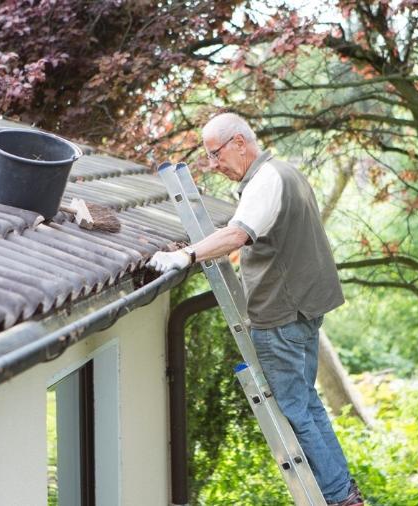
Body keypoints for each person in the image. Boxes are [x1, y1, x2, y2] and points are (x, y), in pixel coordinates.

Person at [147, 113, 363, 506]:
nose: (213, 165)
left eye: (215, 155)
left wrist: (187, 254)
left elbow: (238, 233)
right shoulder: (285, 173)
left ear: (239, 143)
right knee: (308, 403)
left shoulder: (265, 182)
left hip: (281, 315)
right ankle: (344, 490)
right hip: (305, 309)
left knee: (295, 407)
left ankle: (337, 498)